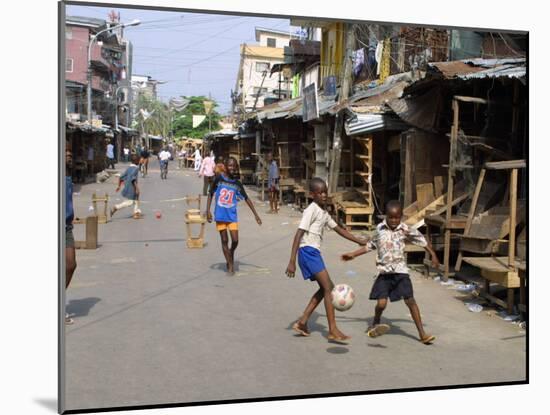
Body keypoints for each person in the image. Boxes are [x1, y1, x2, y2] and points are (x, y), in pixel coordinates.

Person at [341, 200, 440, 345]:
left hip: (400, 271)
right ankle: (375, 322)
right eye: (391, 217)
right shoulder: (380, 229)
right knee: (381, 304)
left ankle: (422, 334)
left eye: (397, 217)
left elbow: (422, 240)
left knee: (410, 301)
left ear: (401, 216)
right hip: (384, 273)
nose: (394, 221)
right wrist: (353, 254)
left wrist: (434, 255)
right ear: (385, 216)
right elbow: (370, 245)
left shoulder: (405, 229)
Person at [285, 178, 368, 344]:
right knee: (329, 288)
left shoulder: (323, 213)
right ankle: (332, 330)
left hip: (313, 252)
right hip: (307, 251)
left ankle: (303, 322)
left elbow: (339, 230)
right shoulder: (311, 210)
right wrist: (292, 261)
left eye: (325, 192)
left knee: (325, 289)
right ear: (312, 194)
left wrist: (359, 241)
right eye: (320, 192)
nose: (324, 195)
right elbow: (298, 235)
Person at [206, 157, 262, 275]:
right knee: (224, 240)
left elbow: (246, 198)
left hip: (232, 216)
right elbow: (211, 193)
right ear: (226, 166)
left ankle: (230, 253)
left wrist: (256, 215)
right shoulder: (219, 179)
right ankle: (230, 265)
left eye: (234, 166)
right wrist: (208, 211)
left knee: (235, 240)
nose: (232, 168)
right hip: (220, 215)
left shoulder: (237, 184)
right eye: (230, 165)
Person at [65, 147, 77, 325]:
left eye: (70, 153)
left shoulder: (68, 176)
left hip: (66, 226)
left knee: (71, 264)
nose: (68, 156)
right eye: (65, 153)